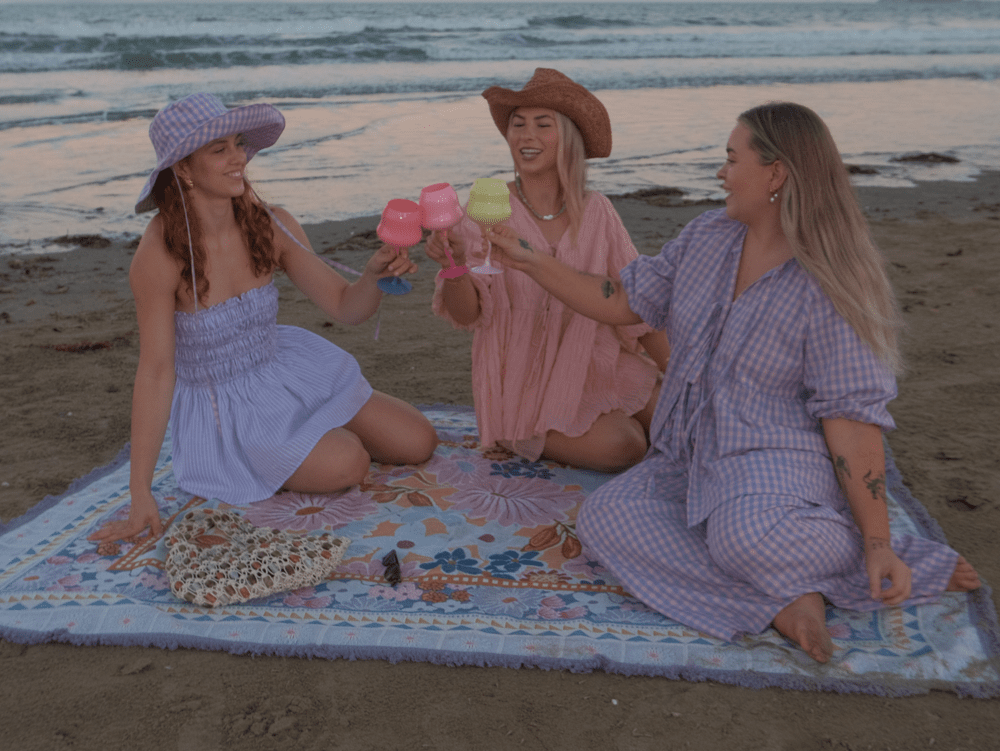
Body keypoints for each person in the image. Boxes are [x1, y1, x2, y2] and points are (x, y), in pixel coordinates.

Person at [487, 101, 980, 663]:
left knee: (742, 535)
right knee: (606, 519)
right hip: (690, 454)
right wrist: (531, 259)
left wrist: (878, 541)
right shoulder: (707, 236)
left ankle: (885, 558)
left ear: (776, 174)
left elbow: (851, 422)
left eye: (731, 159)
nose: (721, 173)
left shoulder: (829, 283)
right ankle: (783, 600)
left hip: (774, 461)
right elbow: (621, 299)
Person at [93, 93, 436, 544]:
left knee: (419, 441)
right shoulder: (160, 254)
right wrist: (140, 490)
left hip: (284, 372)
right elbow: (156, 372)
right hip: (228, 411)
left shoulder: (271, 223)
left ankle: (312, 432)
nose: (239, 158)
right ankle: (309, 442)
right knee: (348, 461)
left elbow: (345, 306)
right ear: (184, 169)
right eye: (220, 150)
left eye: (238, 144)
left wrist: (373, 276)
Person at [427, 68, 667, 474]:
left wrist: (680, 372)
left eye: (542, 124)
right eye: (518, 125)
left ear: (568, 138)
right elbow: (467, 315)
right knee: (626, 447)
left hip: (594, 363)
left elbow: (638, 301)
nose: (526, 136)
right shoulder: (485, 209)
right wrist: (453, 266)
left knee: (682, 420)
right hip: (525, 383)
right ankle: (514, 432)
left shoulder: (598, 210)